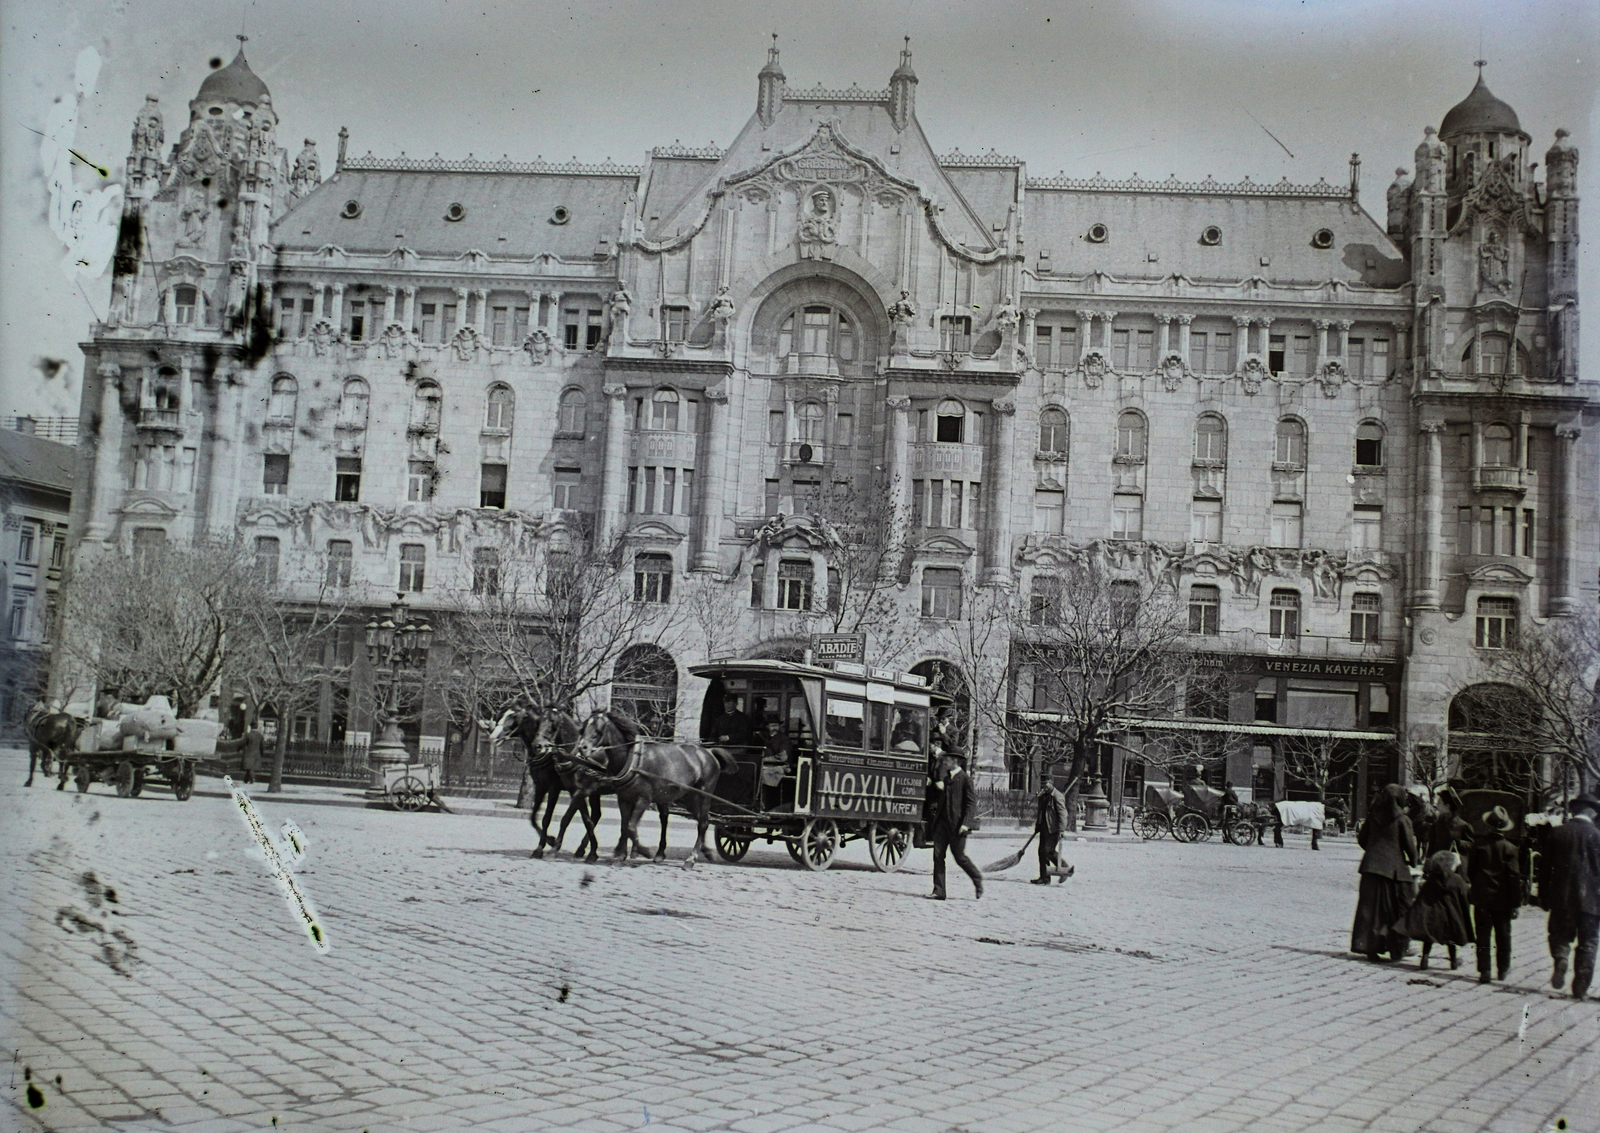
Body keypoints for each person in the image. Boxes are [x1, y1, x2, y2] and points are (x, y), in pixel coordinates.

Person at [1350, 783, 1419, 962]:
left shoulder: (1373, 816)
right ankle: (1397, 949)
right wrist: (1413, 861)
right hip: (1395, 871)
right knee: (1396, 909)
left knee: (1370, 910)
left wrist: (1374, 851)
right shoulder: (1403, 820)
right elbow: (1410, 846)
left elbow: (1362, 839)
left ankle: (1369, 948)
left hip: (1371, 868)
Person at [1544, 793, 1600, 999]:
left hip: (1562, 898)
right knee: (1588, 943)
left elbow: (1545, 869)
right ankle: (1580, 988)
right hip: (1592, 902)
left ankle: (1561, 958)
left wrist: (1543, 896)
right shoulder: (1598, 836)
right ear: (1591, 812)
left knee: (1559, 934)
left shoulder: (1557, 833)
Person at [1467, 806, 1521, 984]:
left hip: (1482, 898)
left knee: (1482, 935)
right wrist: (1515, 903)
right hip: (1503, 900)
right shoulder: (1511, 849)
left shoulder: (1479, 846)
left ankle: (1485, 970)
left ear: (1488, 826)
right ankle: (1503, 969)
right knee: (1503, 935)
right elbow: (1514, 878)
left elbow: (1471, 872)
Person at [1399, 850, 1473, 971]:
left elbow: (1422, 898)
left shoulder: (1432, 880)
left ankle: (1425, 958)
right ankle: (1453, 962)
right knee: (1451, 941)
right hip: (1450, 917)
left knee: (1428, 939)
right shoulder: (1457, 880)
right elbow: (1465, 895)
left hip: (1433, 916)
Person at [927, 753, 982, 901]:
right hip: (942, 825)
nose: (945, 763)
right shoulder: (947, 778)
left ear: (955, 761)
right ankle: (939, 891)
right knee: (938, 856)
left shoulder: (965, 779)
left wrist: (965, 824)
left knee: (960, 858)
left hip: (957, 826)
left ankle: (977, 878)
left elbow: (971, 804)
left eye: (947, 761)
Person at [1032, 776, 1069, 885]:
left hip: (1053, 829)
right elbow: (1041, 812)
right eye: (1043, 784)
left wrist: (1062, 829)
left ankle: (1064, 867)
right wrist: (1038, 825)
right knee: (1041, 852)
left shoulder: (1057, 796)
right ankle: (1044, 878)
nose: (1044, 786)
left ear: (1051, 783)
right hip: (1044, 828)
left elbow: (1063, 814)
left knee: (1048, 851)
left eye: (1046, 784)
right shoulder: (1043, 796)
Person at [759, 720, 794, 811]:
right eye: (772, 725)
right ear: (767, 726)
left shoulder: (784, 739)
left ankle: (764, 805)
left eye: (776, 725)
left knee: (764, 773)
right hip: (764, 765)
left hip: (780, 766)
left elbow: (782, 757)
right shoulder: (762, 737)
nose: (774, 728)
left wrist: (763, 759)